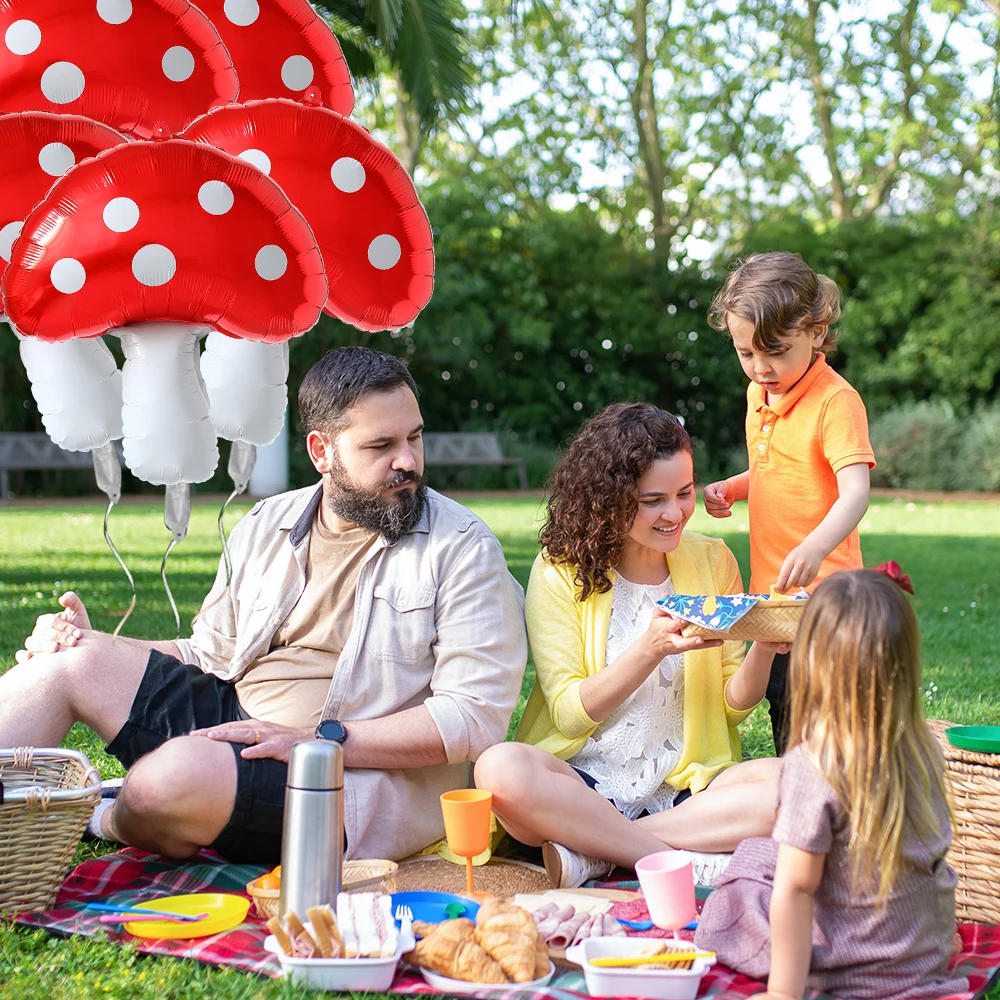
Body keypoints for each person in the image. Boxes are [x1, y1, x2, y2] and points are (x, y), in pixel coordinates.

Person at [0, 347, 527, 863]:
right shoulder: (267, 523)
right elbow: (208, 651)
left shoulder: (463, 548)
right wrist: (95, 646)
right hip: (234, 722)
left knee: (169, 780)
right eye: (380, 445)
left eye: (414, 437)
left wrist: (313, 740)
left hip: (340, 779)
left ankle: (106, 816)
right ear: (322, 452)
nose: (407, 461)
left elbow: (471, 718)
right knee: (64, 662)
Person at [475, 403, 786, 889]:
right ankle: (680, 860)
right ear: (609, 499)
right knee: (500, 769)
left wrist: (764, 642)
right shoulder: (559, 571)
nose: (675, 513)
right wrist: (650, 649)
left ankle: (597, 853)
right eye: (652, 500)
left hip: (686, 789)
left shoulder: (712, 560)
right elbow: (570, 714)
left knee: (795, 786)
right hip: (582, 783)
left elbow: (731, 707)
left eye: (684, 493)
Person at [695, 570, 966, 1000]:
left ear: (812, 663)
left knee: (742, 883)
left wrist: (784, 993)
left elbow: (797, 888)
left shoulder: (814, 764)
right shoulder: (921, 746)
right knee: (765, 853)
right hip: (921, 953)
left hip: (853, 972)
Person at [702, 251, 875, 754]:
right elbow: (776, 470)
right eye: (745, 354)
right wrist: (733, 488)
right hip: (775, 599)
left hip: (826, 603)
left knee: (829, 726)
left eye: (775, 351)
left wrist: (816, 547)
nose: (760, 368)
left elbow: (855, 492)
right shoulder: (761, 395)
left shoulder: (835, 401)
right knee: (787, 715)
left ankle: (842, 824)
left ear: (816, 332)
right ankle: (798, 823)